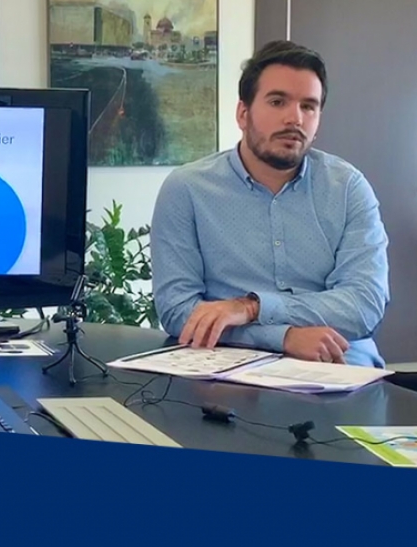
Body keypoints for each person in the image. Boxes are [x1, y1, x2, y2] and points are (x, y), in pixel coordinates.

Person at [150, 40, 390, 367]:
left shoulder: (348, 188)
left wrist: (251, 308)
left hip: (337, 363)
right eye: (278, 102)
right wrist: (283, 337)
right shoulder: (187, 190)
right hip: (230, 369)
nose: (295, 118)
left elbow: (365, 305)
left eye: (309, 106)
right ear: (243, 113)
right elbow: (178, 311)